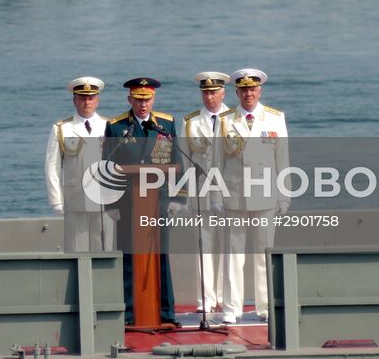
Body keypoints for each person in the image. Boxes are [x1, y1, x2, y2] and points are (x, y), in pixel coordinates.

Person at [105, 77, 179, 326]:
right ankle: (128, 315)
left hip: (158, 202)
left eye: (147, 100)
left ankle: (166, 313)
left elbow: (177, 161)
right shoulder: (116, 128)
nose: (143, 104)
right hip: (128, 204)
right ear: (130, 100)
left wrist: (178, 197)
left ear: (153, 100)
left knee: (162, 255)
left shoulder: (166, 124)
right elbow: (107, 166)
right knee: (128, 258)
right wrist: (111, 204)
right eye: (138, 100)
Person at [218, 69, 288, 324]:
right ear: (236, 92)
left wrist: (284, 194)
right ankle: (231, 308)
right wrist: (215, 195)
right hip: (234, 195)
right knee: (233, 255)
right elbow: (217, 161)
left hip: (265, 195)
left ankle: (266, 306)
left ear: (260, 91)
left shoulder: (274, 118)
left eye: (252, 89)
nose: (248, 93)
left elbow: (282, 160)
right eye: (243, 89)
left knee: (263, 253)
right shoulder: (225, 120)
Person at [182, 71, 232, 324]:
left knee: (228, 249)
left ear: (223, 93)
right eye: (206, 92)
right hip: (201, 194)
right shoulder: (191, 123)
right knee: (204, 250)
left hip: (229, 194)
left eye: (214, 92)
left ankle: (226, 298)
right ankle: (206, 300)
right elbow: (185, 164)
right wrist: (189, 198)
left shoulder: (234, 120)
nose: (210, 97)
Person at [45, 76, 114, 253]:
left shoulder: (110, 126)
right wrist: (56, 202)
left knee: (104, 251)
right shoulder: (62, 128)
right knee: (76, 252)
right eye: (82, 98)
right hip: (74, 200)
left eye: (91, 98)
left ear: (97, 100)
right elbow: (52, 167)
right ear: (74, 100)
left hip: (104, 200)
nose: (87, 102)